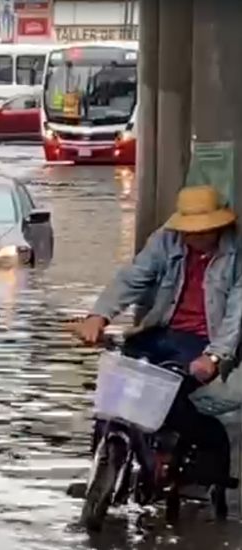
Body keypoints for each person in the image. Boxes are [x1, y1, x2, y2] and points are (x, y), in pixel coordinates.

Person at [75, 184, 242, 486]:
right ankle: (99, 469)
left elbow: (236, 314)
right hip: (161, 330)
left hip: (205, 341)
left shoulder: (237, 253)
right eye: (190, 231)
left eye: (204, 231)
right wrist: (99, 316)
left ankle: (192, 451)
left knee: (173, 395)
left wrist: (215, 356)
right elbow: (134, 276)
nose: (195, 237)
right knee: (115, 390)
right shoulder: (167, 239)